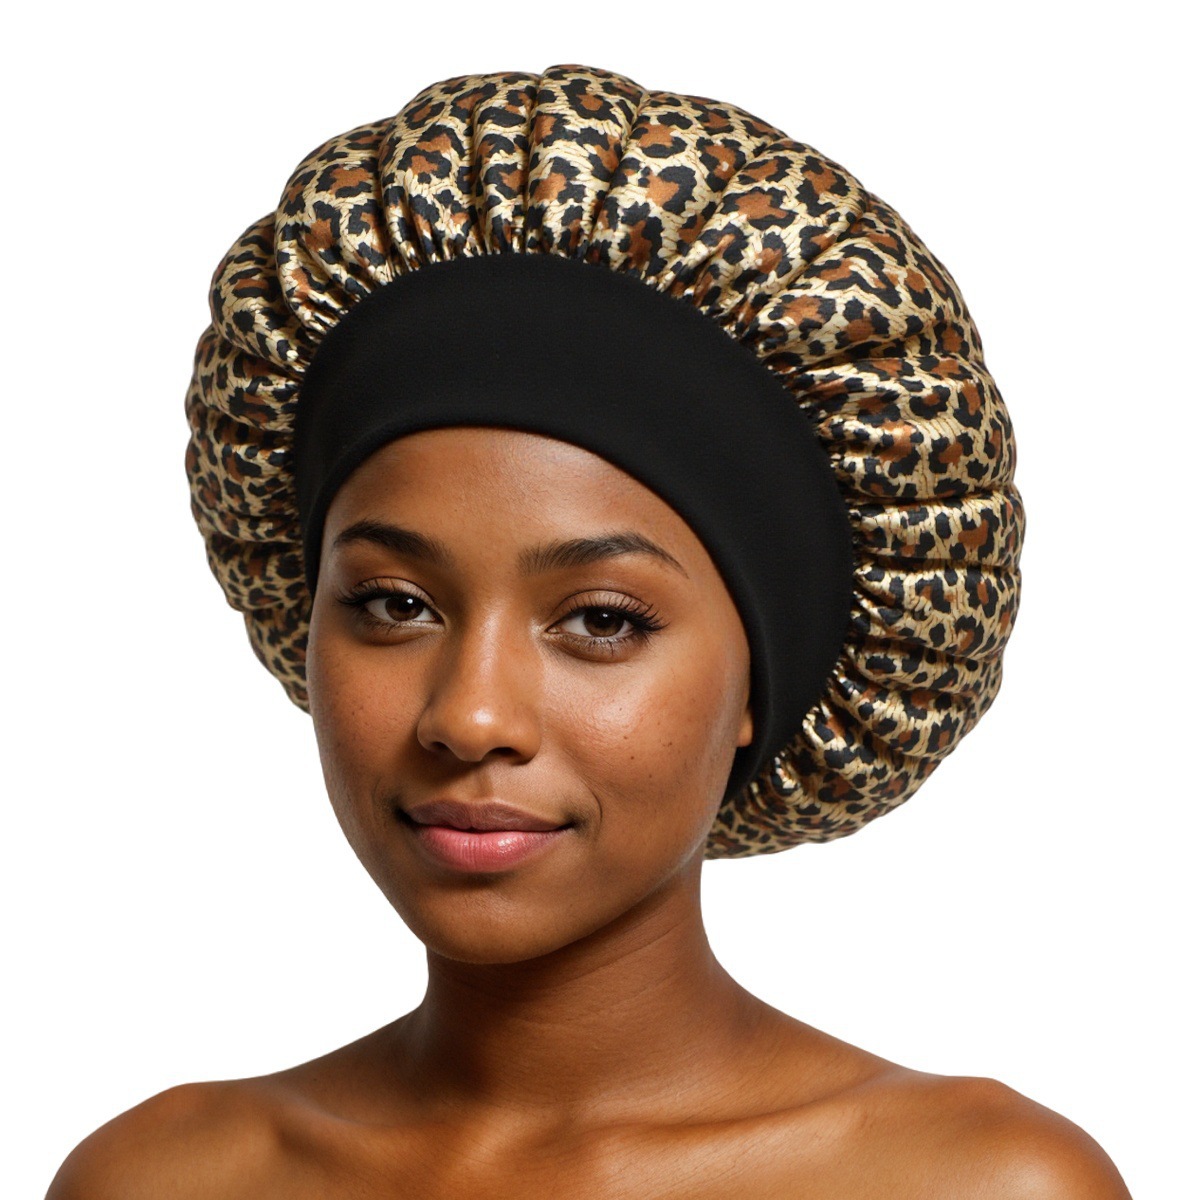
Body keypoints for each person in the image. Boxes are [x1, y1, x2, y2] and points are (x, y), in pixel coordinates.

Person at [47, 63, 1130, 1197]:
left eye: (601, 620)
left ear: (759, 687)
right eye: (394, 604)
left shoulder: (974, 1183)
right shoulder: (159, 1179)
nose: (471, 716)